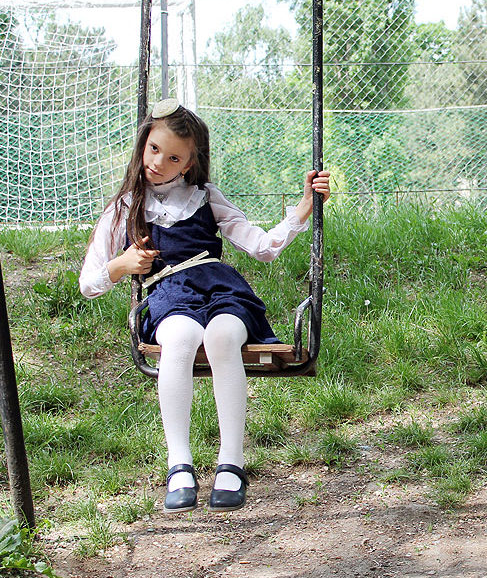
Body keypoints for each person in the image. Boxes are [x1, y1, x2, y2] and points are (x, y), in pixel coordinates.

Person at [80, 98, 331, 512]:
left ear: (189, 164)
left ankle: (231, 463)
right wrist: (122, 265)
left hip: (221, 290)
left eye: (173, 157)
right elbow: (88, 283)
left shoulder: (205, 197)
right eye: (154, 149)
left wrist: (303, 209)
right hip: (169, 296)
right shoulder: (125, 208)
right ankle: (179, 465)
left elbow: (261, 247)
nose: (158, 162)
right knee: (179, 338)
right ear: (144, 143)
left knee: (222, 337)